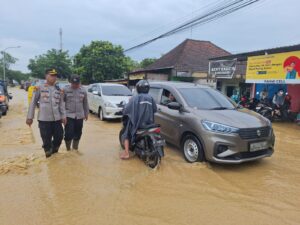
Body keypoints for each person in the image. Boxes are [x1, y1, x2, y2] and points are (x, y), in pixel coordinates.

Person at [26, 69, 66, 158]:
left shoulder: (58, 89)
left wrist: (63, 116)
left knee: (59, 137)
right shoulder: (39, 88)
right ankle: (49, 156)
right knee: (46, 140)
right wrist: (30, 117)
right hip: (44, 120)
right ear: (46, 76)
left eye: (55, 75)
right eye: (51, 75)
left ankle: (54, 153)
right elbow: (33, 102)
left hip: (56, 119)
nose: (54, 77)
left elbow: (61, 104)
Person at [120, 80, 157, 159]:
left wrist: (123, 110)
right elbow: (155, 109)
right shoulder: (151, 98)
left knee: (126, 134)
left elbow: (127, 109)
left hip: (137, 124)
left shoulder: (135, 98)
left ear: (138, 88)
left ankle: (126, 153)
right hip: (149, 123)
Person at [63, 75, 89, 150]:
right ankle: (68, 149)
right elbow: (62, 102)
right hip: (68, 115)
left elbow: (85, 103)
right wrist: (63, 115)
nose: (75, 85)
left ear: (79, 82)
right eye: (73, 83)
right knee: (68, 133)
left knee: (78, 133)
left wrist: (86, 113)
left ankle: (75, 149)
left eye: (77, 83)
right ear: (70, 82)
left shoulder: (83, 90)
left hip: (80, 115)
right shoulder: (65, 89)